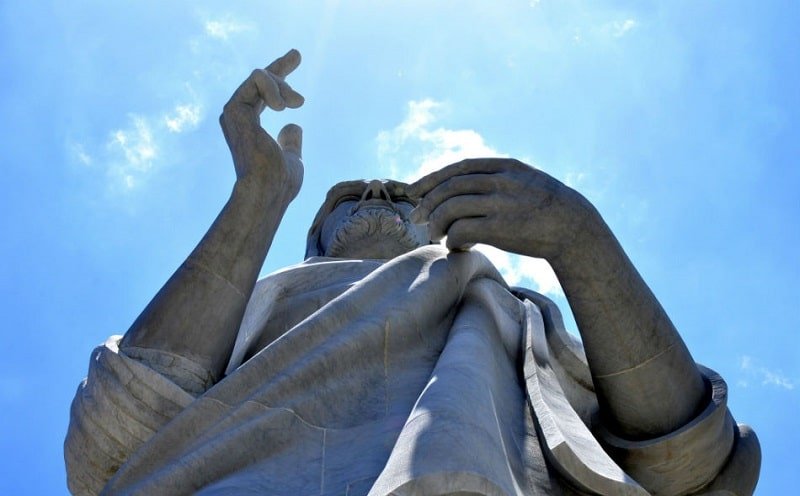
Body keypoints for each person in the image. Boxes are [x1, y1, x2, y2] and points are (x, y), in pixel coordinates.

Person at [65, 50, 760, 496]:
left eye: (397, 195)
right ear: (314, 242)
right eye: (348, 197)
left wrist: (582, 242)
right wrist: (257, 203)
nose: (373, 197)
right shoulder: (257, 303)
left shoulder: (505, 310)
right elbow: (112, 446)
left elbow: (693, 464)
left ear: (439, 227)